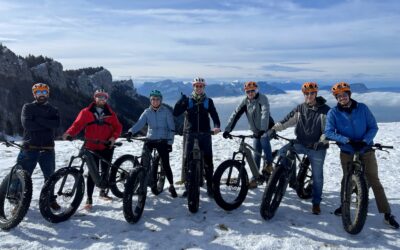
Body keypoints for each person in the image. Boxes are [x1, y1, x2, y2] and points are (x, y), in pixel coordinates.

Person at [325, 82, 399, 229]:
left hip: (366, 149)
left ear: (349, 95)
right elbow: (329, 132)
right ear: (336, 98)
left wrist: (364, 141)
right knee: (347, 179)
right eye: (338, 96)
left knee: (374, 180)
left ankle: (386, 213)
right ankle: (345, 205)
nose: (342, 98)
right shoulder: (333, 112)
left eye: (344, 95)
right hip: (347, 150)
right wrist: (347, 140)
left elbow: (373, 126)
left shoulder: (362, 108)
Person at [268, 82, 330, 215]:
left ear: (316, 94)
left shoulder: (325, 110)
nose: (309, 95)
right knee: (283, 152)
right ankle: (285, 174)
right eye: (307, 93)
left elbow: (328, 130)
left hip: (317, 147)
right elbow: (286, 121)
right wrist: (274, 129)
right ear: (304, 94)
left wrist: (321, 142)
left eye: (312, 93)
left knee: (317, 176)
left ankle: (316, 202)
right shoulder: (300, 108)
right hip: (301, 142)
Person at [62, 89, 122, 210]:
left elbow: (118, 127)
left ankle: (103, 192)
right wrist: (69, 133)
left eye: (104, 97)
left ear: (106, 99)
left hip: (106, 146)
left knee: (105, 170)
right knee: (92, 173)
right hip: (91, 146)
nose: (101, 99)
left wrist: (113, 138)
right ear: (95, 98)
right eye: (99, 97)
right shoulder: (86, 112)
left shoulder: (111, 113)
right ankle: (89, 198)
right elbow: (77, 125)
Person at [14, 82, 61, 210]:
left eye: (44, 92)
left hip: (48, 148)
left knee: (50, 177)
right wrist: (47, 123)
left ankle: (50, 200)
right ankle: (17, 201)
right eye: (39, 92)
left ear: (48, 94)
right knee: (22, 176)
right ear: (34, 94)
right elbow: (27, 125)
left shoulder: (53, 109)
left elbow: (56, 124)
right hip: (30, 147)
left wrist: (37, 120)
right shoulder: (28, 107)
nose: (42, 95)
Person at [173, 77, 221, 198]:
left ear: (204, 87)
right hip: (191, 134)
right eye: (196, 86)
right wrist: (180, 101)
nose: (199, 88)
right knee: (188, 162)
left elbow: (214, 115)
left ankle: (210, 186)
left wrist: (217, 126)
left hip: (205, 134)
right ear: (193, 87)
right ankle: (188, 187)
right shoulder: (188, 100)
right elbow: (175, 112)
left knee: (208, 161)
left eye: (201, 86)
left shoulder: (208, 101)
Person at [126, 90, 177, 198]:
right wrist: (131, 131)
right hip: (150, 139)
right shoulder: (147, 112)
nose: (155, 101)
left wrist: (169, 142)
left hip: (162, 140)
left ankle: (172, 185)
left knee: (166, 164)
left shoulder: (166, 111)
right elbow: (140, 123)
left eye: (157, 99)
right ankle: (142, 182)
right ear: (150, 100)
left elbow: (172, 128)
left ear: (160, 100)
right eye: (153, 99)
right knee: (144, 163)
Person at [223, 81, 274, 189]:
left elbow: (265, 113)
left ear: (256, 90)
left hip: (267, 128)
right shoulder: (245, 102)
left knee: (264, 140)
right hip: (256, 131)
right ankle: (255, 178)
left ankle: (269, 165)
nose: (250, 93)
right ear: (245, 92)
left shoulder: (262, 99)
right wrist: (228, 129)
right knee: (256, 154)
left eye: (253, 91)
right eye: (248, 91)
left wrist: (263, 129)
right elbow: (235, 113)